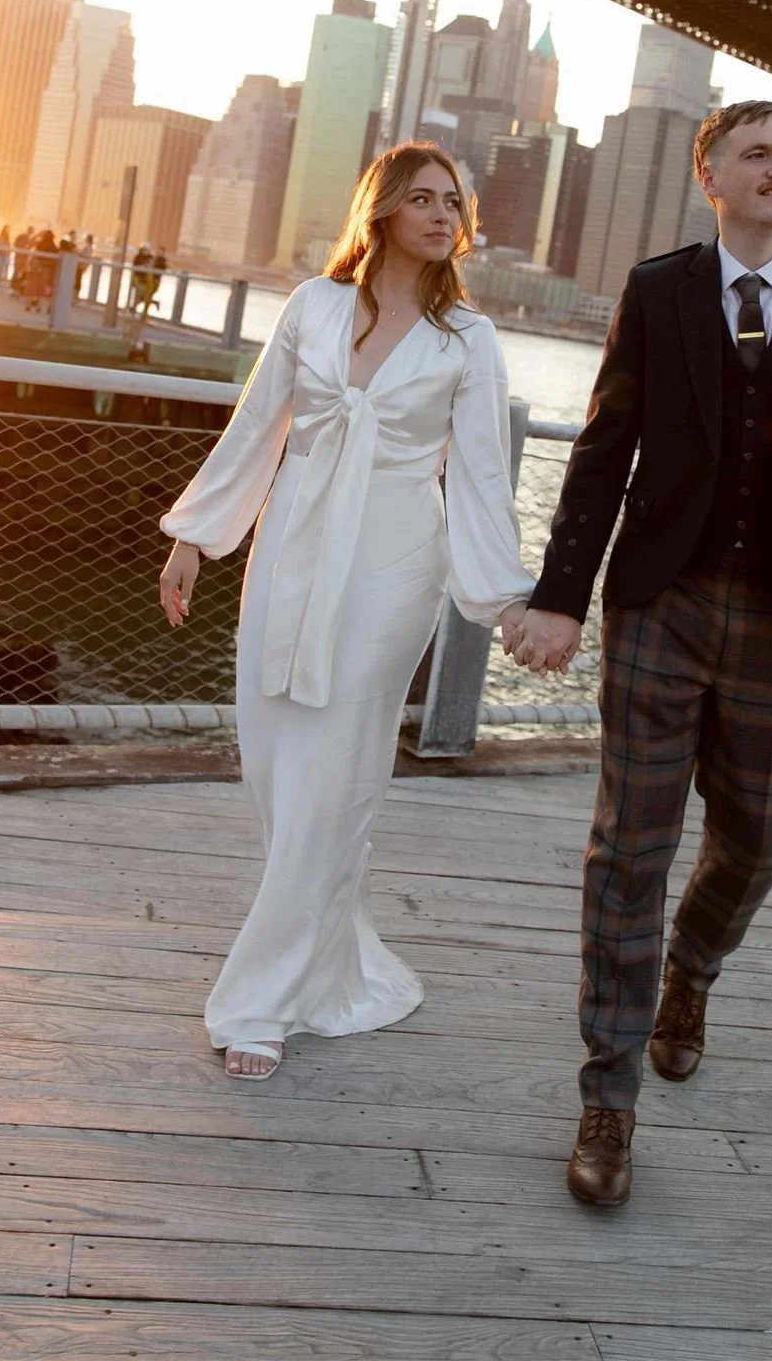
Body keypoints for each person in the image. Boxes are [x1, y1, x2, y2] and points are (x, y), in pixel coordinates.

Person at [510, 100, 772, 1207]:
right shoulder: (656, 290)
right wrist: (560, 598)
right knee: (626, 848)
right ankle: (608, 1094)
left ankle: (691, 966)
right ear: (710, 178)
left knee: (758, 837)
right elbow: (602, 448)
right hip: (661, 600)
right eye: (756, 154)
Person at [157, 143, 537, 1081]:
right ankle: (328, 961)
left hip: (393, 565)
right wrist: (197, 538)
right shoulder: (313, 306)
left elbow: (484, 476)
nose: (444, 215)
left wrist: (506, 598)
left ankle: (259, 1004)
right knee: (280, 768)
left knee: (333, 776)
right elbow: (258, 425)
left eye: (455, 201)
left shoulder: (468, 341)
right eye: (422, 198)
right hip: (290, 549)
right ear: (381, 211)